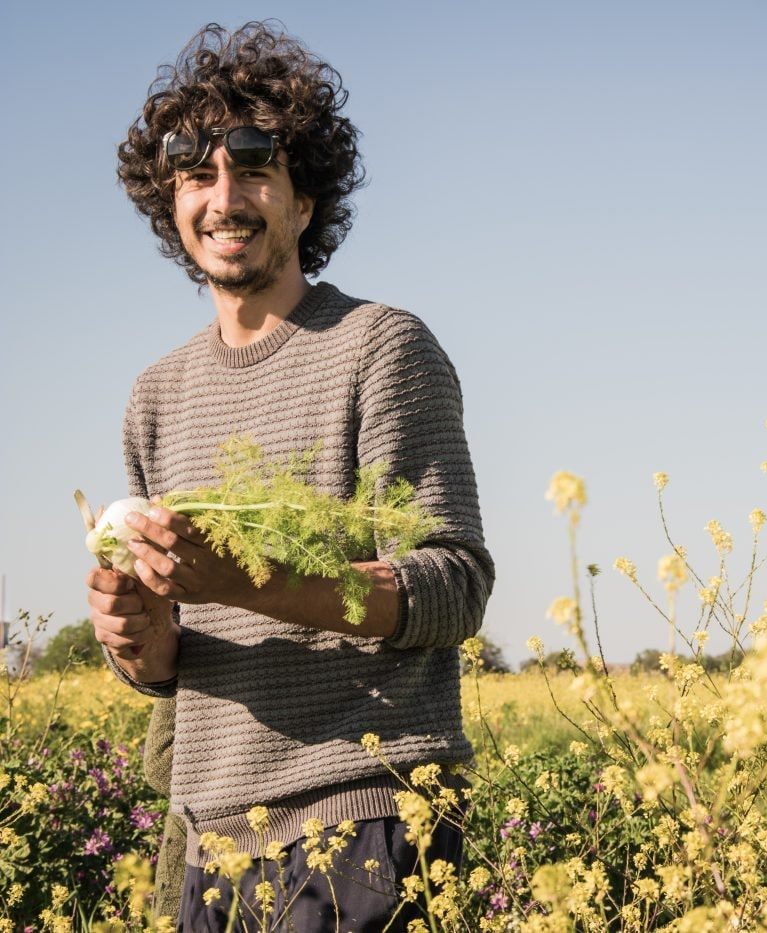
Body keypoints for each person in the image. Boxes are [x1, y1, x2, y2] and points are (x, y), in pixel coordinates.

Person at [85, 21, 495, 928]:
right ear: (171, 203)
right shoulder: (155, 396)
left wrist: (246, 578)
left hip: (365, 817)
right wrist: (139, 640)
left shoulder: (381, 347)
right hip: (213, 844)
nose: (224, 197)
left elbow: (454, 585)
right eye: (196, 174)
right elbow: (177, 656)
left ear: (305, 201)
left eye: (253, 167)